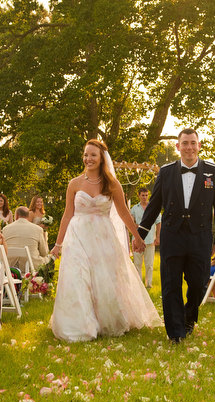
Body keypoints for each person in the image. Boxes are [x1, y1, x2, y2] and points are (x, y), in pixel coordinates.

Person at [50, 139, 161, 343]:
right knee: (78, 277)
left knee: (104, 279)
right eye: (86, 154)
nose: (88, 158)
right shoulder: (74, 184)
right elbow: (67, 214)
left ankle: (104, 321)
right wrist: (58, 244)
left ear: (102, 158)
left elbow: (124, 213)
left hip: (103, 238)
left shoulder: (112, 184)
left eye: (93, 155)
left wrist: (137, 237)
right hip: (77, 237)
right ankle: (80, 325)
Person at [135, 128, 215, 342]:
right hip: (172, 236)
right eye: (185, 143)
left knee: (199, 283)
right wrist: (140, 235)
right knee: (170, 285)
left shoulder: (213, 171)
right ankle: (175, 332)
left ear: (199, 146)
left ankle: (188, 317)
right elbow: (154, 206)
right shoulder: (166, 172)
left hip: (200, 237)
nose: (189, 147)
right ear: (178, 146)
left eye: (193, 143)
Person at [3, 206, 53, 272]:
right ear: (28, 216)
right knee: (49, 259)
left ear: (16, 216)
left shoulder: (5, 229)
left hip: (10, 266)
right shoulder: (38, 229)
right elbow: (44, 253)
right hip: (31, 265)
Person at [130, 187, 161, 288]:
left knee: (149, 265)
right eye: (143, 195)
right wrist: (135, 225)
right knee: (137, 264)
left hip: (150, 240)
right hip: (137, 241)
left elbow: (158, 223)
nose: (145, 197)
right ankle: (139, 285)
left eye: (146, 195)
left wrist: (158, 237)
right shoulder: (134, 209)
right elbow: (130, 222)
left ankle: (149, 285)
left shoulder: (153, 208)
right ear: (138, 195)